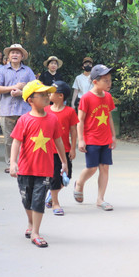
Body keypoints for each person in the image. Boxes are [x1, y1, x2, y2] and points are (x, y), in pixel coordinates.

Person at [9, 80, 68, 248]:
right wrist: (13, 163)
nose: (46, 97)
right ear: (30, 100)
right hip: (25, 168)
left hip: (45, 169)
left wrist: (64, 162)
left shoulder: (53, 119)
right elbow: (16, 143)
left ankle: (36, 232)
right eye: (41, 95)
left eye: (46, 94)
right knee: (26, 200)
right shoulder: (24, 120)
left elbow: (59, 142)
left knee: (39, 200)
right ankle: (30, 222)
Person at [74, 64, 117, 211]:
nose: (109, 83)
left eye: (110, 80)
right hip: (91, 138)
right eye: (105, 80)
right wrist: (81, 139)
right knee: (92, 168)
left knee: (105, 168)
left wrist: (113, 135)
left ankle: (100, 199)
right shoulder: (86, 98)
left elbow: (109, 116)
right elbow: (80, 120)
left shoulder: (108, 97)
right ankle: (79, 183)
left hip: (105, 139)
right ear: (95, 82)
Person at [0, 43, 36, 173]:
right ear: (8, 56)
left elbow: (35, 89)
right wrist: (13, 87)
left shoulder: (28, 71)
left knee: (26, 140)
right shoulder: (2, 71)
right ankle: (11, 164)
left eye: (17, 52)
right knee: (8, 140)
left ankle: (24, 164)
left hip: (25, 111)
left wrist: (21, 92)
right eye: (12, 52)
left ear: (22, 56)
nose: (15, 55)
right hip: (6, 111)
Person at [44, 81, 79, 216]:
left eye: (52, 92)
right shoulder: (46, 110)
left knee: (67, 177)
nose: (49, 94)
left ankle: (51, 196)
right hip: (49, 151)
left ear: (60, 96)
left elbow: (73, 130)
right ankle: (55, 203)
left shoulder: (70, 112)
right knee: (54, 178)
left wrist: (73, 148)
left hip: (64, 150)